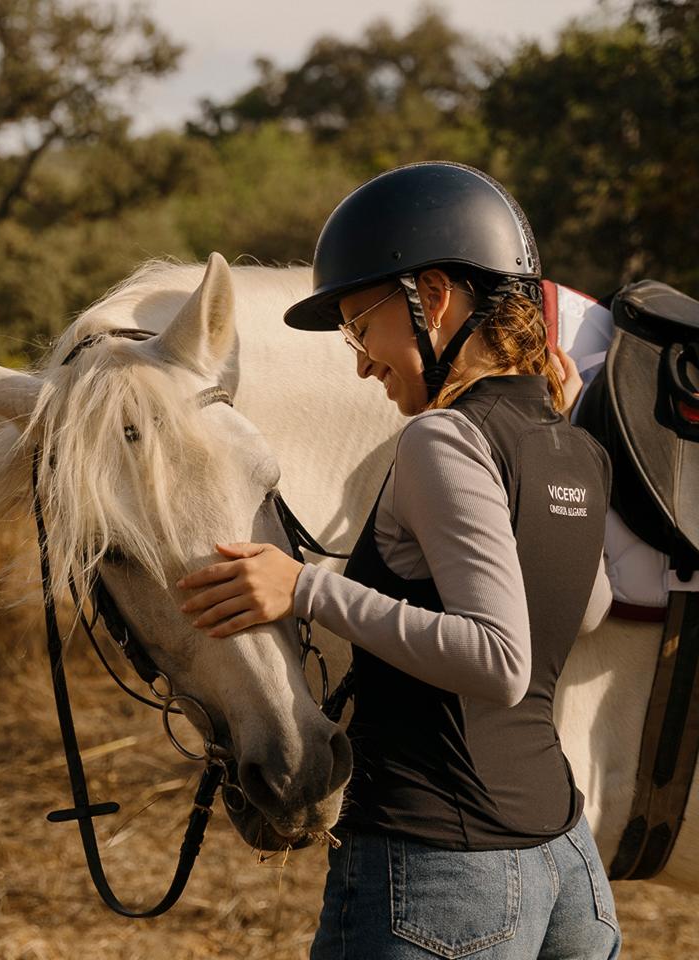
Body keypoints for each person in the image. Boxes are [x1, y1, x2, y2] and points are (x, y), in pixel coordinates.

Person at [176, 162, 621, 959]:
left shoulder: (442, 437)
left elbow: (499, 657)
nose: (358, 361)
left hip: (444, 874)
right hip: (566, 867)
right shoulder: (572, 443)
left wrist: (306, 588)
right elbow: (584, 609)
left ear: (435, 298)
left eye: (359, 325)